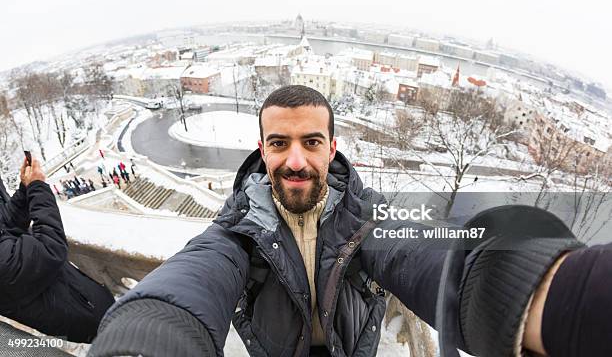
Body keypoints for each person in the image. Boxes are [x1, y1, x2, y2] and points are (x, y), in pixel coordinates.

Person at [89, 86, 593, 357]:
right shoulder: (238, 227)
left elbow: (424, 257)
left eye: (310, 142)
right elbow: (201, 270)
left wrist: (556, 295)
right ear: (262, 150)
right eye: (279, 143)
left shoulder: (368, 217)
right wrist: (149, 333)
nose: (294, 160)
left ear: (331, 149)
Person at [0, 157, 115, 343]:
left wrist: (25, 189)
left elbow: (6, 224)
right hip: (78, 316)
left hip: (77, 294)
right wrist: (37, 187)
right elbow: (49, 249)